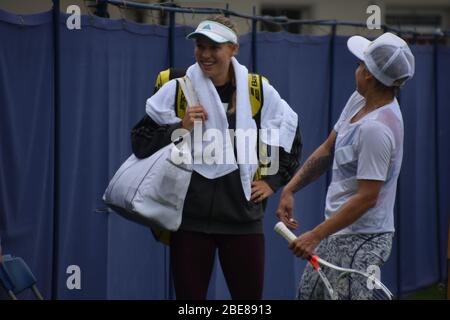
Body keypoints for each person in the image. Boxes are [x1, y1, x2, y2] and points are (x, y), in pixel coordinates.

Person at [131, 16, 302, 300]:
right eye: (200, 46)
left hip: (243, 221)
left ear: (233, 49)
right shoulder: (177, 88)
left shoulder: (257, 90)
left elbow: (291, 137)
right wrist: (180, 127)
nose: (205, 55)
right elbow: (140, 142)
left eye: (214, 47)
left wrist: (273, 181)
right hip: (190, 222)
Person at [276, 32, 415, 300]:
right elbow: (329, 149)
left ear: (369, 76)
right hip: (336, 230)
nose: (357, 68)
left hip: (366, 239)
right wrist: (290, 189)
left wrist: (314, 236)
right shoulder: (359, 100)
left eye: (361, 64)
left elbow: (367, 198)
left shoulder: (377, 129)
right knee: (307, 296)